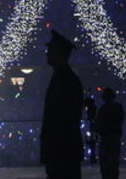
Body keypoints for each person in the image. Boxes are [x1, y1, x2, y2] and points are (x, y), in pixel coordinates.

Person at [40, 29, 84, 179]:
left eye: (50, 50)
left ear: (59, 53)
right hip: (64, 150)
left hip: (62, 150)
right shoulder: (66, 78)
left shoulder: (63, 80)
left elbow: (61, 120)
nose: (47, 54)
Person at [94, 87, 124, 179]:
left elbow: (98, 123)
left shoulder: (103, 109)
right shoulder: (118, 107)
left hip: (106, 137)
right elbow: (119, 121)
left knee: (105, 163)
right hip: (114, 137)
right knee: (113, 162)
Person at [84, 89, 98, 164]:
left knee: (92, 140)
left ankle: (92, 157)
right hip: (92, 124)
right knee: (92, 140)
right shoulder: (93, 109)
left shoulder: (90, 111)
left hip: (91, 124)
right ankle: (93, 157)